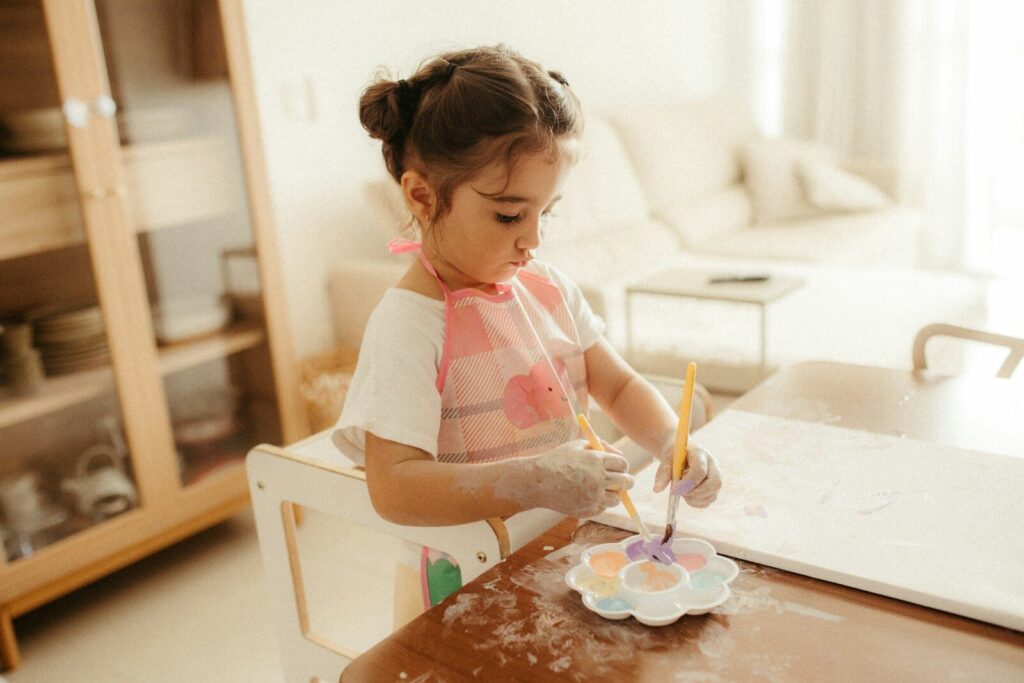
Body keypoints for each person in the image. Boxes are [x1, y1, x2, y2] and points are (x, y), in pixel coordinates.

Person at [334, 45, 721, 618]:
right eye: (510, 215)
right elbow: (393, 488)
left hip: (562, 554)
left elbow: (615, 385)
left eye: (548, 212)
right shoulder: (409, 325)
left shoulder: (547, 287)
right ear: (421, 196)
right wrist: (531, 479)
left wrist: (671, 440)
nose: (534, 240)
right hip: (462, 582)